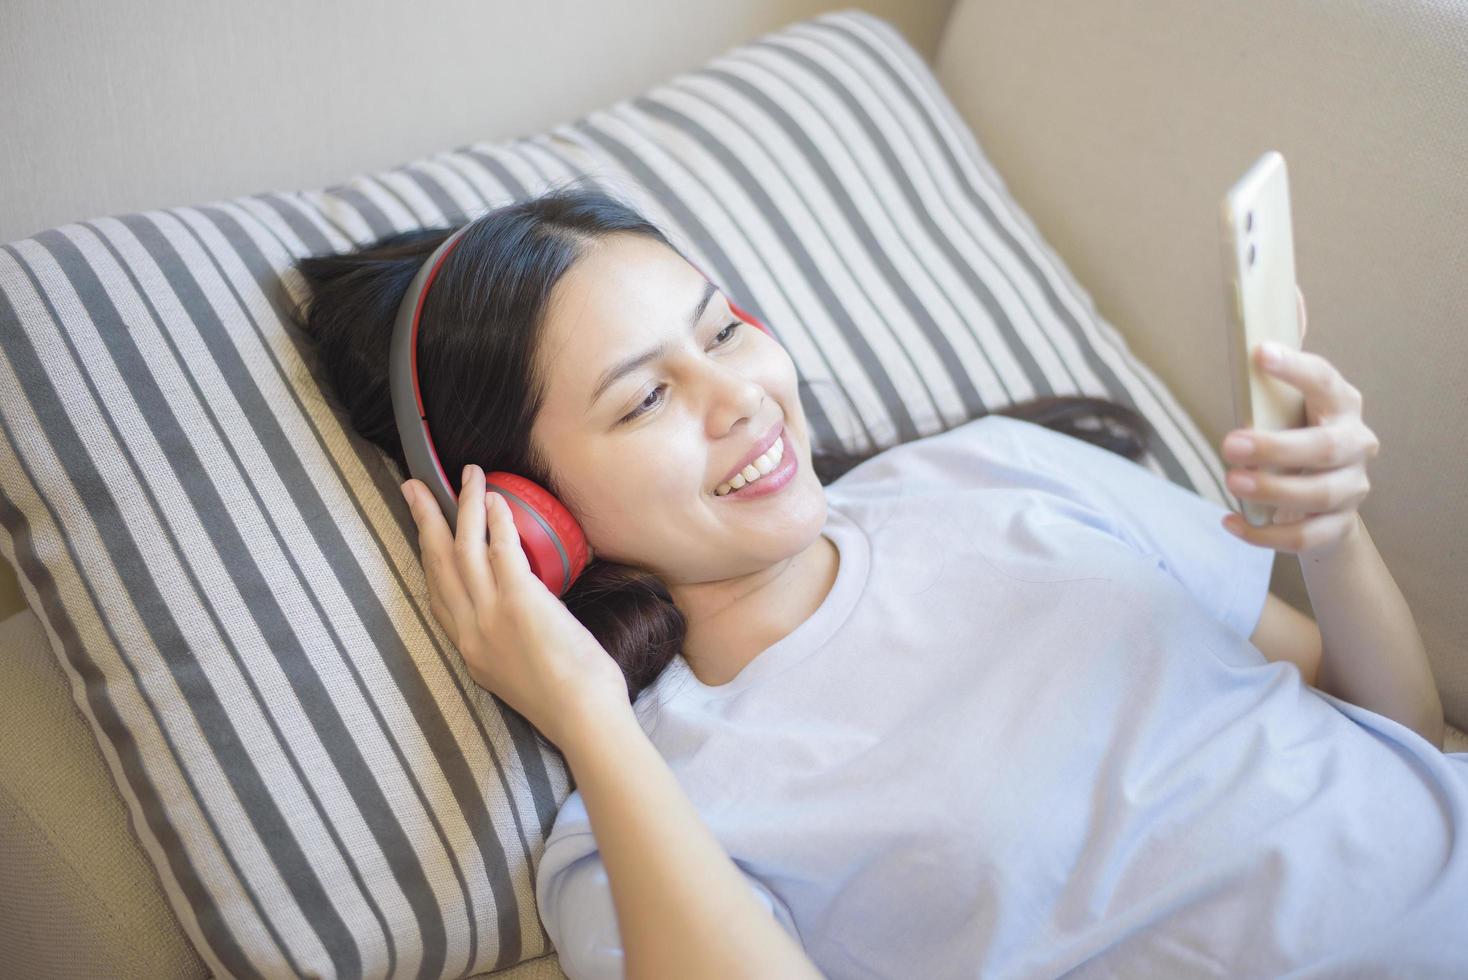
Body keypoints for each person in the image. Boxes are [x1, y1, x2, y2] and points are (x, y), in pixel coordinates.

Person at [294, 183, 1462, 979]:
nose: (739, 394)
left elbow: (1397, 728)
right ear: (528, 517)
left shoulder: (993, 465)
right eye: (645, 397)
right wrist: (591, 724)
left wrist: (1330, 538)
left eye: (726, 329)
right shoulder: (645, 819)